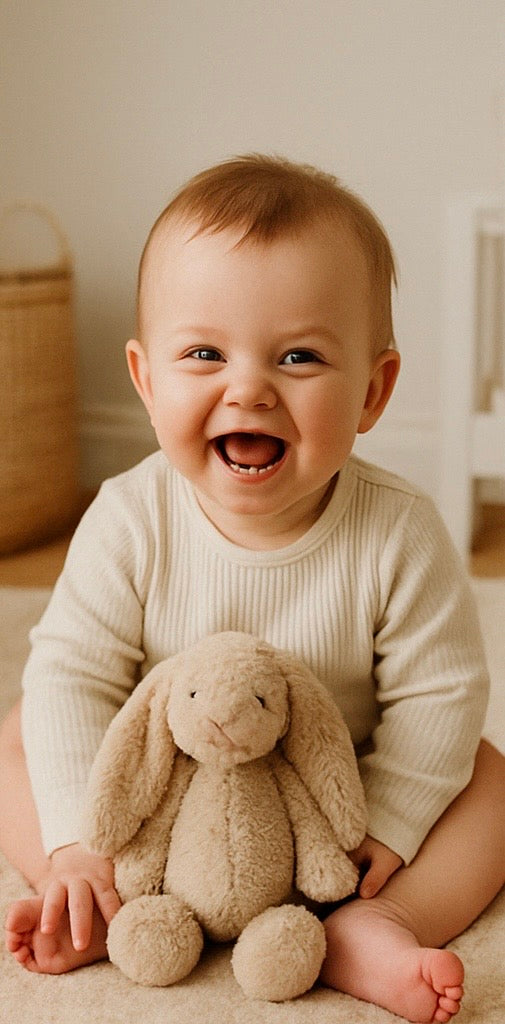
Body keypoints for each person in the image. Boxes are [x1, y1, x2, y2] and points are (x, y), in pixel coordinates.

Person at [1, 154, 504, 1023]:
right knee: (18, 736)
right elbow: (74, 677)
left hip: (330, 811)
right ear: (145, 378)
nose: (248, 388)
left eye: (299, 357)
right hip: (159, 805)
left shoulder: (399, 529)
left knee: (489, 781)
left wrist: (385, 825)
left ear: (372, 392)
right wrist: (80, 842)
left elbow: (440, 694)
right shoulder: (128, 517)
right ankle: (85, 893)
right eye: (203, 353)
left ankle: (376, 922)